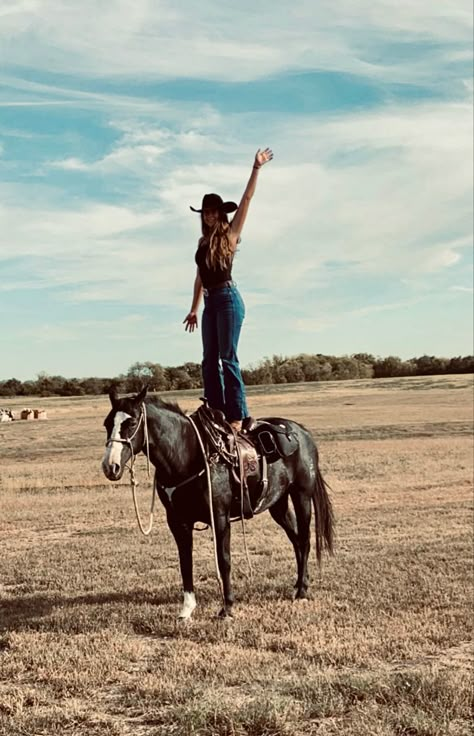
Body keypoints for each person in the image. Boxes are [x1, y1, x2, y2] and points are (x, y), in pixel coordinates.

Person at [183, 148, 273, 431]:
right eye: (205, 212)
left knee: (227, 357)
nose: (209, 216)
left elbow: (247, 199)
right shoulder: (201, 242)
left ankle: (237, 415)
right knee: (208, 360)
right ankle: (215, 410)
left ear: (220, 213)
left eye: (213, 212)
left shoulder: (231, 235)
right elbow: (200, 277)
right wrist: (194, 309)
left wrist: (256, 168)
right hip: (210, 303)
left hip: (228, 300)